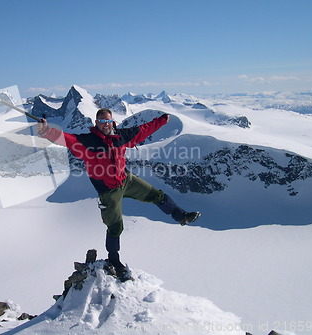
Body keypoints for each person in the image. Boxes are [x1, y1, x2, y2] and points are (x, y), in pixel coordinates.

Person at [37, 108, 200, 280]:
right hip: (108, 192)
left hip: (126, 180)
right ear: (96, 123)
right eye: (102, 122)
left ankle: (181, 216)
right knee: (115, 226)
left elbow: (143, 130)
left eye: (108, 121)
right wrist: (47, 131)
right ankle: (114, 260)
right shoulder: (88, 141)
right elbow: (67, 139)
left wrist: (161, 121)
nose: (106, 125)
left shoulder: (121, 136)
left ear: (112, 121)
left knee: (156, 195)